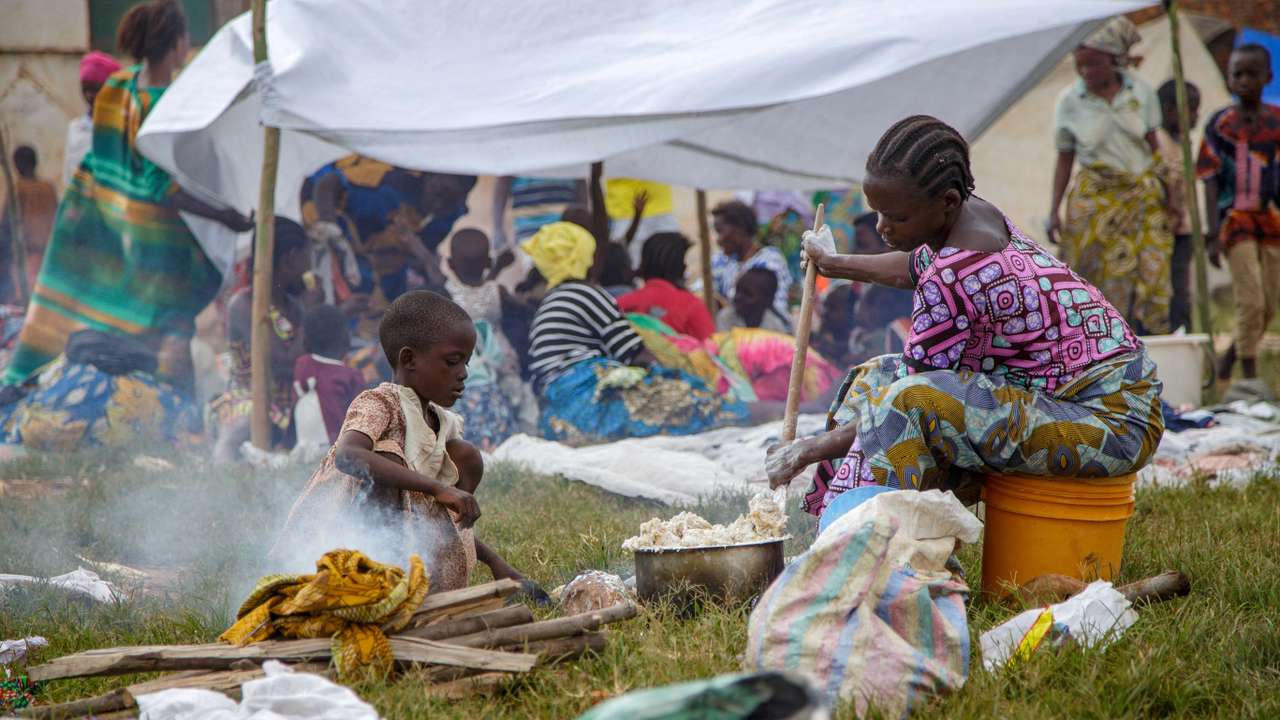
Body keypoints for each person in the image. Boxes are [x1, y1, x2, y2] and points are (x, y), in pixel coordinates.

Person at [765, 115, 1164, 519]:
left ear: (947, 202)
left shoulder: (956, 273)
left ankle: (862, 541)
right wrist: (833, 263)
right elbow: (913, 267)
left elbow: (900, 403)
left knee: (902, 402)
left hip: (1112, 424)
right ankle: (837, 522)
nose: (883, 227)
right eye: (878, 214)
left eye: (897, 218)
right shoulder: (972, 216)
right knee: (875, 378)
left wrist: (807, 448)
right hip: (1076, 401)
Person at [1, 0, 254, 393]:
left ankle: (60, 386)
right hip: (158, 247)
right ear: (176, 43)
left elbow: (105, 156)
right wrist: (227, 217)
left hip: (108, 225)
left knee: (86, 311)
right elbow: (161, 187)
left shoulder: (118, 85)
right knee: (171, 327)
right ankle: (174, 411)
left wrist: (115, 205)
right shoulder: (165, 104)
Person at [270, 290, 535, 594]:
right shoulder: (379, 402)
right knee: (388, 459)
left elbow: (439, 513)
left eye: (465, 362)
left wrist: (496, 564)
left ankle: (419, 583)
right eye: (452, 362)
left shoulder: (439, 422)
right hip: (339, 551)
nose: (464, 374)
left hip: (413, 552)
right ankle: (378, 582)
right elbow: (349, 455)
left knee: (465, 456)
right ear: (408, 359)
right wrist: (438, 487)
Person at [523, 221, 748, 444]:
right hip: (585, 400)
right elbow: (635, 354)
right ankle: (742, 415)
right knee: (693, 402)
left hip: (556, 414)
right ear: (585, 260)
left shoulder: (550, 303)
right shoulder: (587, 295)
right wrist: (678, 375)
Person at [1048, 17, 1173, 335]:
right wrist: (1054, 210)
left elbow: (1153, 146)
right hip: (1095, 201)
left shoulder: (1140, 92)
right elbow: (1065, 158)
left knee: (1148, 272)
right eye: (1080, 65)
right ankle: (1098, 338)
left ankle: (1143, 337)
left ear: (1114, 60)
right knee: (1091, 276)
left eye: (1093, 64)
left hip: (1140, 197)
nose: (1086, 72)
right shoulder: (1070, 101)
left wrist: (1172, 196)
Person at [1198, 44, 1280, 381]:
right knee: (1251, 300)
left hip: (1270, 219)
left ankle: (1230, 356)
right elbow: (1209, 178)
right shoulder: (1220, 125)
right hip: (1235, 222)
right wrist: (1213, 233)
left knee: (1270, 304)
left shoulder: (1276, 122)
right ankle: (1248, 377)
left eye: (1251, 74)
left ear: (1268, 77)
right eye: (1237, 74)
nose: (1243, 81)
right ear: (1229, 78)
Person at [210, 218, 309, 461]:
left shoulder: (293, 307)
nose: (310, 264)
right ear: (292, 257)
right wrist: (310, 317)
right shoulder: (244, 305)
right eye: (308, 255)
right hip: (250, 396)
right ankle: (222, 470)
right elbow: (279, 363)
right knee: (245, 420)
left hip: (290, 400)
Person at [444, 228, 527, 449]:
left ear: (450, 264)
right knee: (513, 398)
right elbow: (523, 309)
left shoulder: (448, 294)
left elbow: (470, 293)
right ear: (488, 262)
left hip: (469, 364)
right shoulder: (497, 291)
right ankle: (514, 436)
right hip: (501, 356)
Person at [1155, 79, 1201, 333]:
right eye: (1191, 110)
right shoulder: (1159, 141)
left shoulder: (1182, 142)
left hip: (1183, 231)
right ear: (1169, 109)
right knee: (1170, 290)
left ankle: (1182, 331)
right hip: (1165, 231)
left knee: (1181, 289)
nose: (1196, 117)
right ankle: (1174, 331)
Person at [618, 232, 716, 340]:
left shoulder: (622, 303)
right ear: (680, 267)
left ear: (644, 264)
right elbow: (711, 350)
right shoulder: (691, 305)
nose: (685, 266)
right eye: (683, 261)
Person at [293, 304, 366, 444]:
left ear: (305, 341)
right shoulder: (351, 376)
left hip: (303, 445)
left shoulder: (301, 365)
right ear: (346, 339)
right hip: (335, 447)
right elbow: (363, 419)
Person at [708, 200, 792, 319]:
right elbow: (709, 293)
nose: (719, 240)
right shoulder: (721, 261)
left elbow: (776, 307)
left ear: (740, 228)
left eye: (720, 231)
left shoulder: (770, 260)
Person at [0, 146, 57, 299]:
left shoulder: (19, 189)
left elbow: (6, 226)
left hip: (27, 256)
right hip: (49, 256)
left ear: (16, 165)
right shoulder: (49, 188)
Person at [63, 51, 121, 187]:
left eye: (95, 90)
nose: (89, 95)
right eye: (85, 89)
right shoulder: (75, 128)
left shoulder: (120, 128)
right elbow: (67, 177)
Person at [716, 268, 792, 333]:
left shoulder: (776, 328)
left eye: (748, 294)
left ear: (767, 300)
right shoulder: (726, 317)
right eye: (737, 291)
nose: (737, 297)